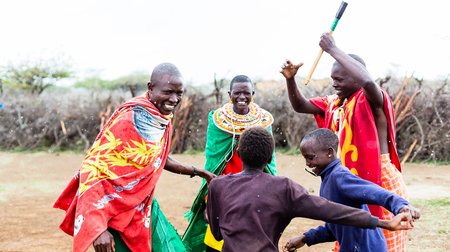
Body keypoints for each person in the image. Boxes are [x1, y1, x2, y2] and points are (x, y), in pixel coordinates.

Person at [54, 63, 215, 252]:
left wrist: (198, 172)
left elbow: (158, 157)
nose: (174, 99)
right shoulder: (129, 119)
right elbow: (93, 169)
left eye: (179, 93)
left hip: (143, 207)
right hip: (114, 214)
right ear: (151, 88)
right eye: (168, 92)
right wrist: (98, 229)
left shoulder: (158, 118)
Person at [280, 33, 409, 251]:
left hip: (380, 177)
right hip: (348, 181)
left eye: (339, 79)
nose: (334, 84)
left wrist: (332, 49)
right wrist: (290, 80)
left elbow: (367, 81)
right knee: (352, 234)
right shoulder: (335, 103)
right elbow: (300, 105)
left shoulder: (371, 98)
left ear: (355, 76)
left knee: (385, 242)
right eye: (333, 79)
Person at [207, 126, 414, 252]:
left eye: (310, 158)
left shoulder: (218, 185)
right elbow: (330, 211)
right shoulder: (284, 188)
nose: (308, 164)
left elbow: (217, 234)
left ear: (239, 154)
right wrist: (382, 223)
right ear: (270, 159)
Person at [283, 128, 420, 252]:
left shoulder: (340, 177)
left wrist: (402, 206)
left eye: (310, 157)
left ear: (330, 152)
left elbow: (376, 193)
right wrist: (305, 238)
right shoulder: (328, 180)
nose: (308, 163)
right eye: (305, 158)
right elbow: (335, 225)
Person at [182, 75, 277, 252]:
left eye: (246, 93)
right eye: (237, 93)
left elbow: (270, 159)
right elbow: (213, 161)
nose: (242, 97)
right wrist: (210, 199)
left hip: (255, 187)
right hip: (224, 187)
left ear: (253, 94)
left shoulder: (263, 121)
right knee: (217, 237)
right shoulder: (218, 121)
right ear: (229, 94)